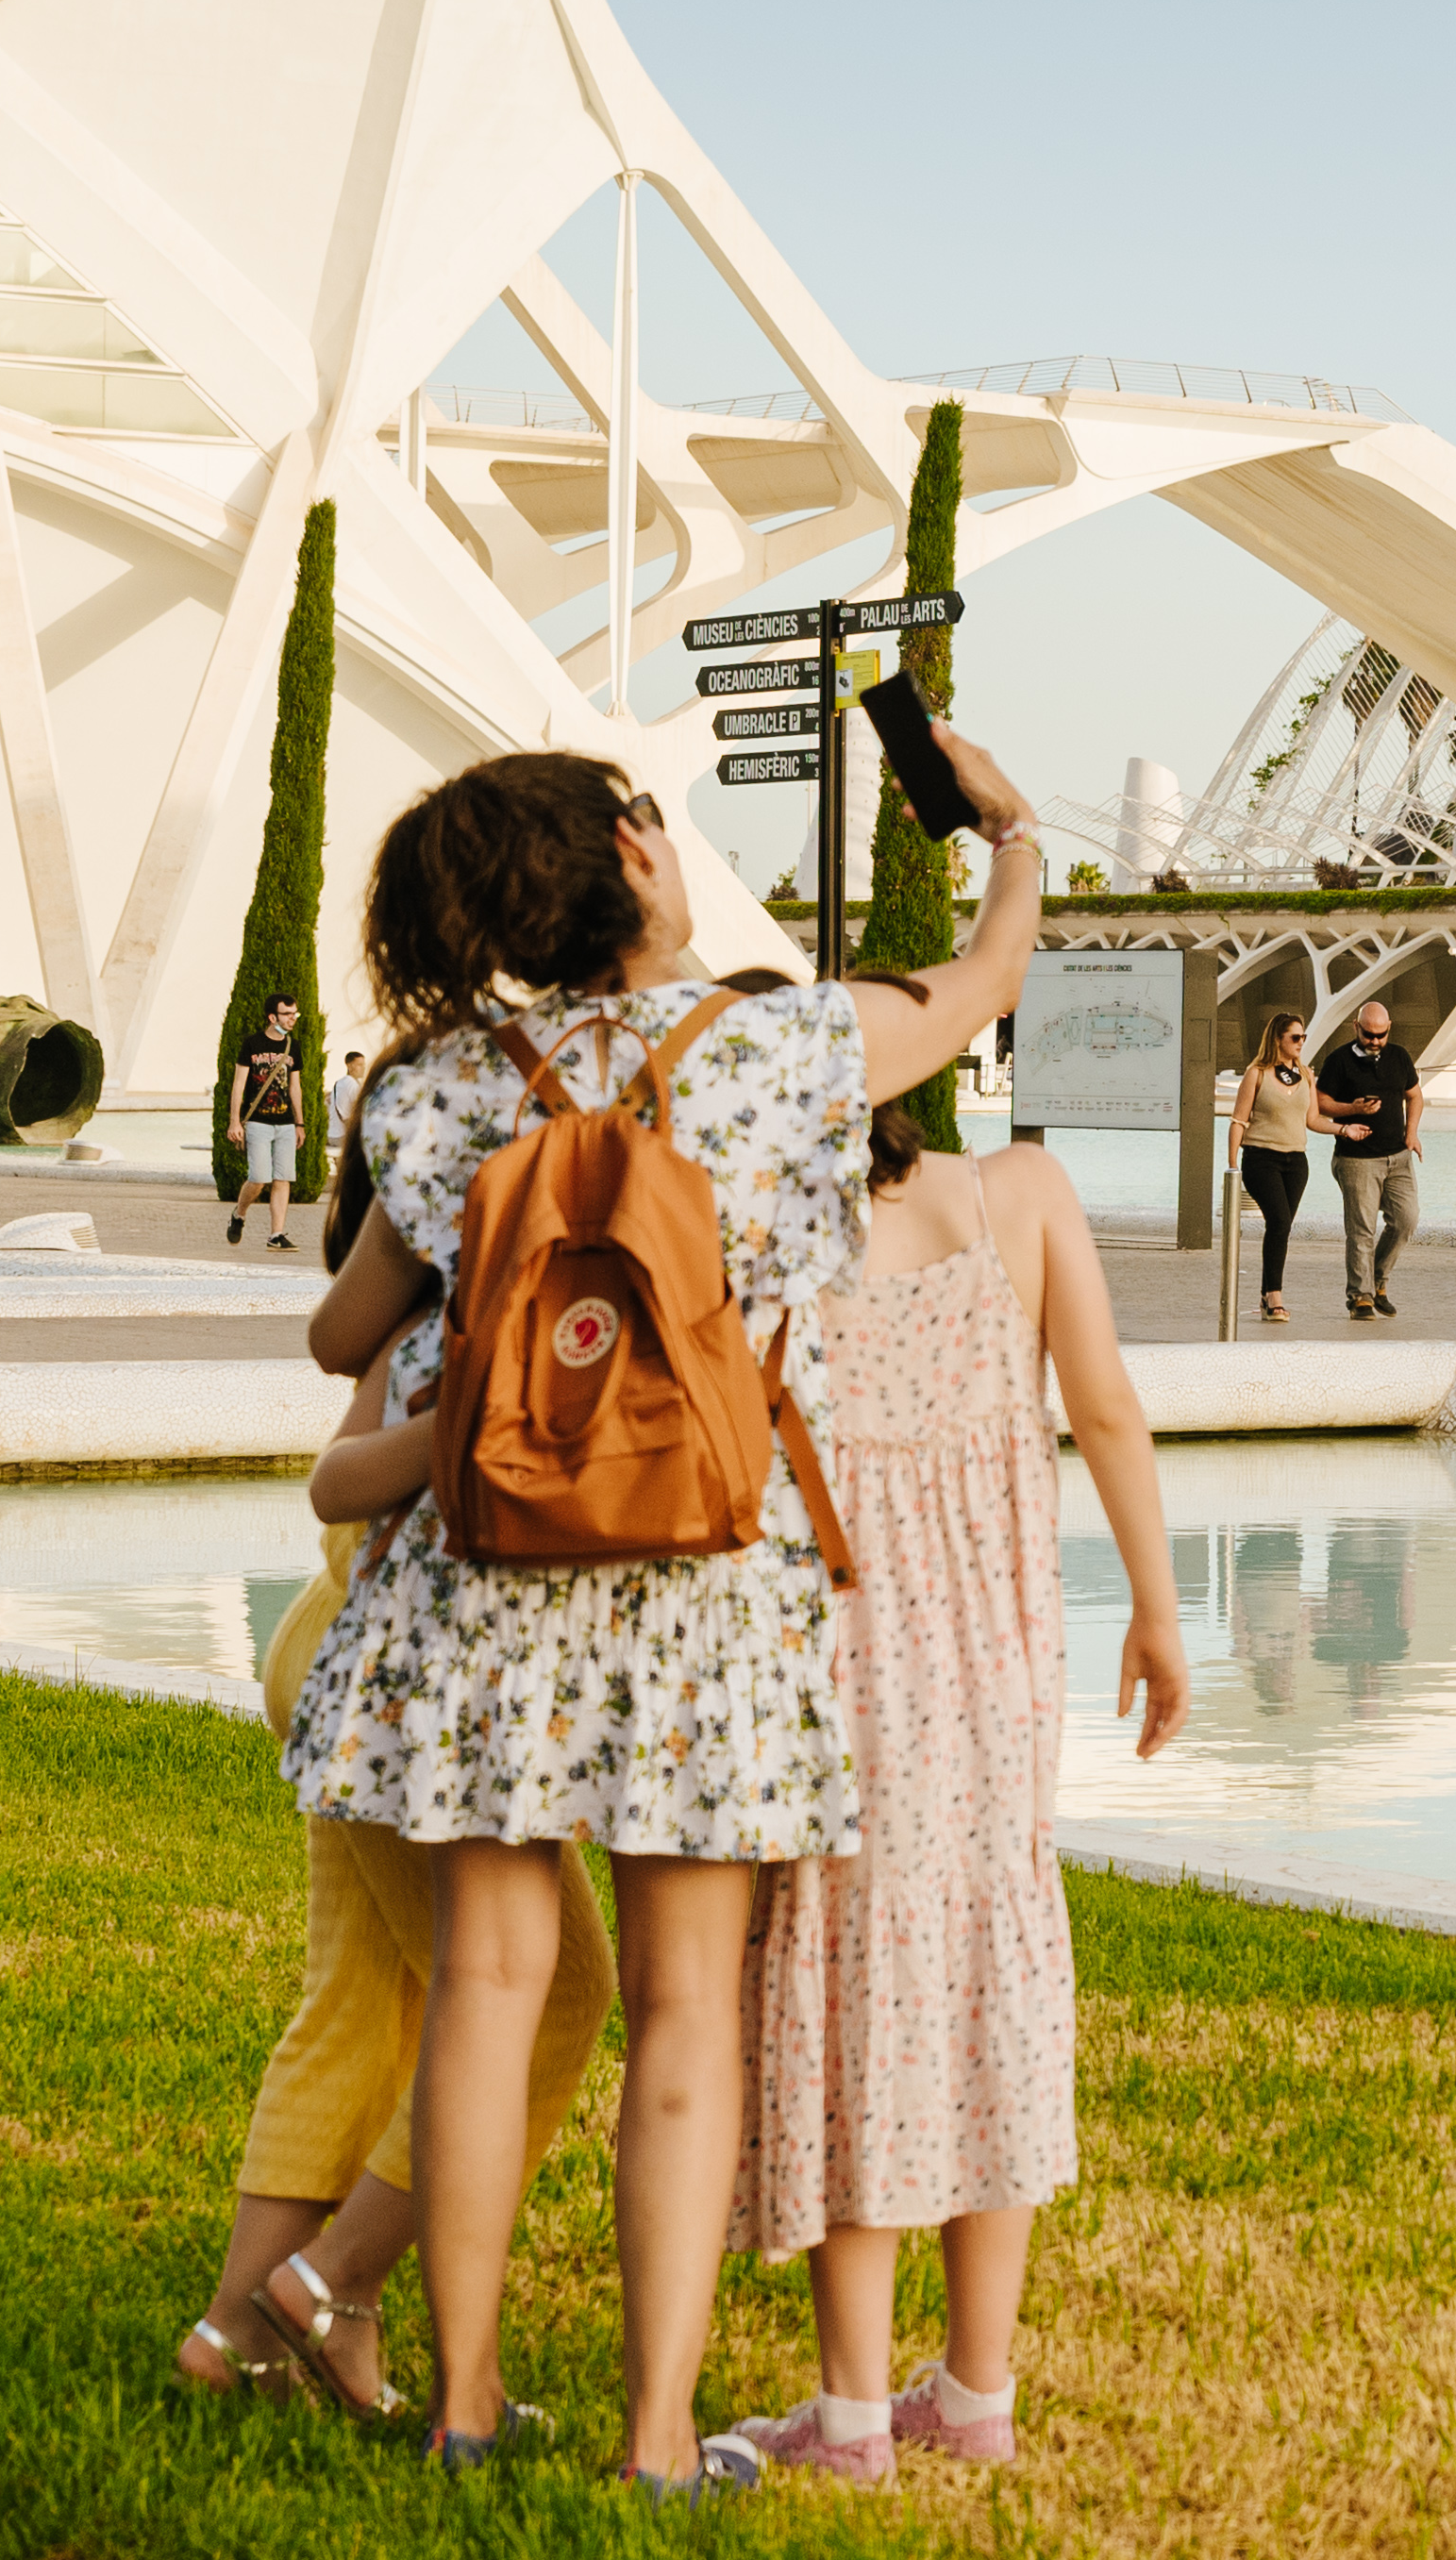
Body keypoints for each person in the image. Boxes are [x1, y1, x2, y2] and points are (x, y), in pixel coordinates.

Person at [281, 726, 1044, 2496]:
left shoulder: (435, 1088)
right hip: (713, 1588)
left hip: (484, 1588)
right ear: (628, 854)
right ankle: (652, 2441)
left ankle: (463, 2407)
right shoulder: (789, 1044)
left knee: (487, 1979)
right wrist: (1003, 823)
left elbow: (344, 1326)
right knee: (684, 2013)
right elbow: (994, 971)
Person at [715, 1064, 1192, 2483]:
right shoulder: (1025, 1196)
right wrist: (1161, 1611)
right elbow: (1104, 1407)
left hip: (837, 1660)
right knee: (986, 1969)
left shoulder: (772, 1237)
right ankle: (975, 2387)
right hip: (999, 1658)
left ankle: (854, 2413)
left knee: (851, 1987)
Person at [177, 1114, 620, 2418]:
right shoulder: (482, 1325)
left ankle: (234, 2334)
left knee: (360, 2002)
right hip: (405, 1702)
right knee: (550, 1993)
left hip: (338, 1666)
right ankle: (331, 2281)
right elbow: (351, 1476)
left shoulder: (427, 1310)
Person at [1315, 998, 1419, 1320]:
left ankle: (1377, 1280)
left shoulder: (1399, 1056)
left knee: (1406, 1220)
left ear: (1389, 1030)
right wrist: (1353, 1110)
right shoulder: (1339, 1061)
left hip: (1398, 1157)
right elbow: (1320, 1103)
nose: (1374, 1041)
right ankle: (1360, 1296)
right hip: (1356, 1159)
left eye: (1381, 1035)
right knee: (1361, 1230)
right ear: (1356, 1027)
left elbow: (1414, 1095)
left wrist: (1411, 1133)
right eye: (1368, 1034)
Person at [1223, 1012, 1314, 1325]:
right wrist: (1233, 1164)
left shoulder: (1305, 1075)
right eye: (1295, 1037)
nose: (1301, 1042)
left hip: (1296, 1162)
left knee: (1283, 1226)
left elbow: (1312, 1120)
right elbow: (1239, 1120)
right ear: (1278, 1039)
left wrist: (1348, 1126)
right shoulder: (1257, 1073)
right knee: (1279, 1220)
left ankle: (1266, 1295)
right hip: (1261, 1159)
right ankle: (1274, 1296)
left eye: (1303, 1037)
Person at [226, 995, 309, 1250]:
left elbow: (295, 1087)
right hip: (258, 1121)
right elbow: (239, 1084)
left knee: (283, 1179)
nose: (293, 1018)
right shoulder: (252, 1044)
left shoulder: (293, 1046)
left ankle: (276, 1234)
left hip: (285, 1123)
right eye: (287, 1014)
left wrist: (300, 1123)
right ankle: (239, 1214)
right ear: (273, 1017)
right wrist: (234, 1122)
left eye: (295, 1013)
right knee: (259, 1178)